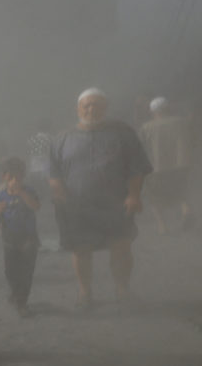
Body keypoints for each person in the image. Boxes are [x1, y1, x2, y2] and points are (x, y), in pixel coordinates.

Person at [49, 89, 152, 308]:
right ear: (78, 109)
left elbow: (136, 168)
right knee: (81, 249)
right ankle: (85, 293)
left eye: (96, 104)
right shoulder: (63, 138)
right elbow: (54, 173)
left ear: (105, 108)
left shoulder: (123, 133)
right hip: (78, 206)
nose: (91, 109)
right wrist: (60, 194)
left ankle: (123, 291)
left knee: (121, 247)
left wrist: (134, 195)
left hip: (116, 203)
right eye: (86, 105)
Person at [0, 157, 41, 317]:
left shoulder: (29, 191)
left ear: (23, 176)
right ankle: (15, 292)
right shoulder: (0, 196)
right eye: (11, 176)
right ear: (4, 177)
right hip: (9, 239)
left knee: (26, 272)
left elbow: (36, 206)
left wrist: (21, 192)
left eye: (18, 177)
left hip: (28, 239)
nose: (15, 180)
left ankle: (22, 303)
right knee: (10, 271)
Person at [138, 97, 193, 234]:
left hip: (157, 167)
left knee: (154, 196)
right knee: (181, 189)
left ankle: (162, 226)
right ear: (168, 108)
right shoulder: (181, 122)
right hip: (180, 163)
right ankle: (186, 210)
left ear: (152, 111)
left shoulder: (147, 127)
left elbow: (141, 147)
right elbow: (191, 139)